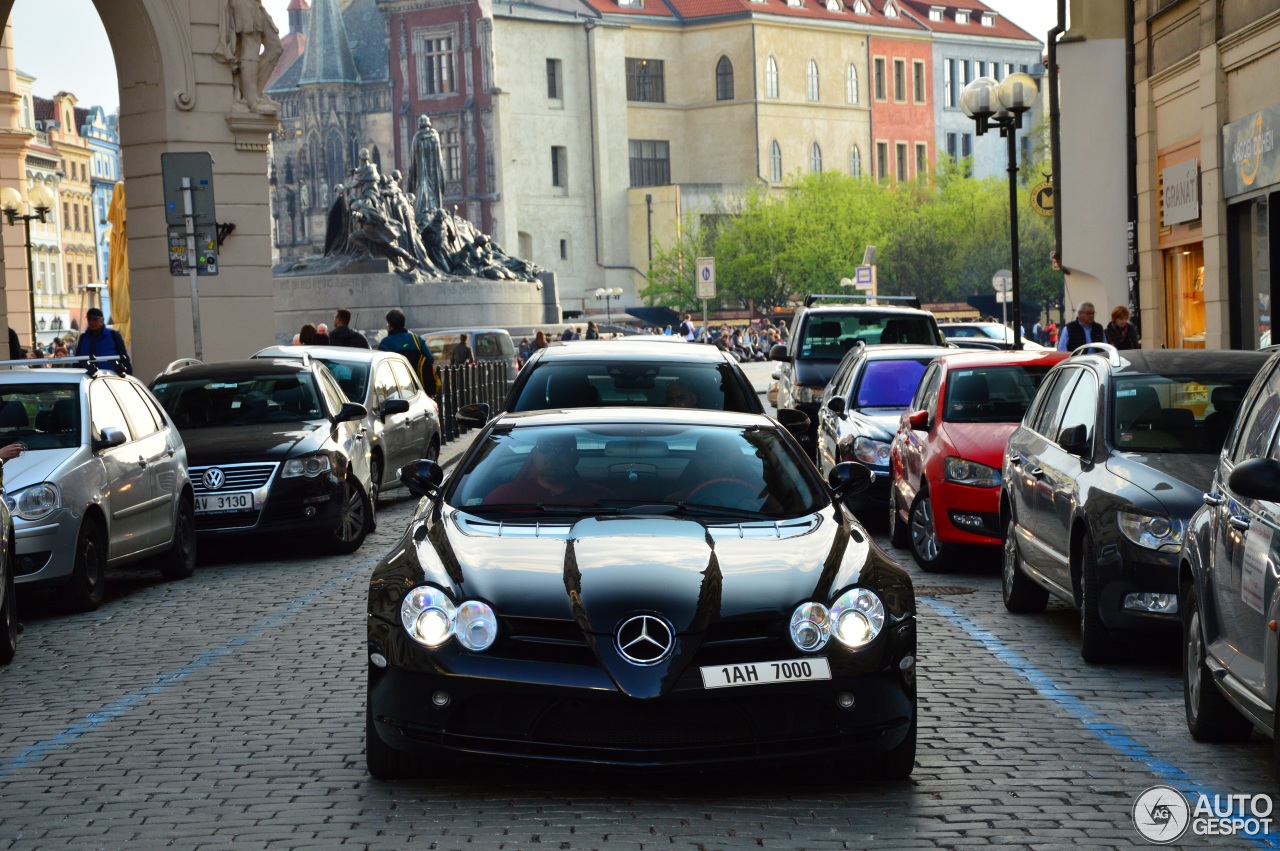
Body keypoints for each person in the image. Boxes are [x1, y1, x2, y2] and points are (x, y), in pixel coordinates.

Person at [483, 433, 613, 505]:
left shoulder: (601, 498)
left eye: (562, 449)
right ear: (534, 455)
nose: (553, 455)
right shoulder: (504, 497)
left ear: (575, 457)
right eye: (545, 448)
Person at [378, 308, 436, 397]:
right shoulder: (416, 339)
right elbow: (430, 359)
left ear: (390, 324)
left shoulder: (386, 343)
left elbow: (380, 368)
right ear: (403, 323)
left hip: (396, 390)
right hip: (419, 388)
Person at [408, 115, 446, 225]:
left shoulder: (417, 137)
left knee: (422, 194)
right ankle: (435, 209)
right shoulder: (435, 136)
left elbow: (413, 161)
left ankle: (424, 211)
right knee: (435, 192)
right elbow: (439, 159)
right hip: (435, 173)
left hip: (421, 175)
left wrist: (410, 185)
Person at [75, 308, 132, 374]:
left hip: (110, 378)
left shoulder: (113, 335)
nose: (92, 322)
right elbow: (77, 360)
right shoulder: (83, 338)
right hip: (87, 378)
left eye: (95, 319)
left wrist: (128, 375)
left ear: (102, 320)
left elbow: (124, 359)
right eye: (89, 319)